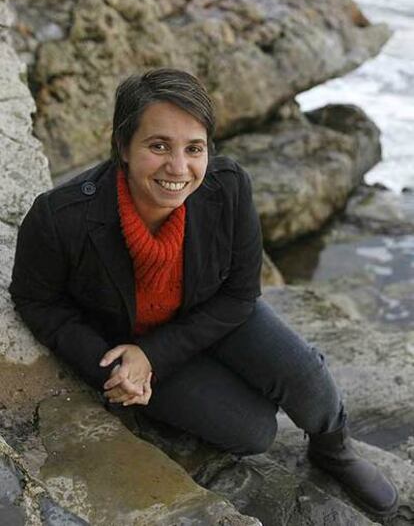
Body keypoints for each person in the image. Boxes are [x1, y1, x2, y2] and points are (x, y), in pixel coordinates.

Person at [10, 68, 398, 518]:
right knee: (254, 433)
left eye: (194, 149)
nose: (179, 168)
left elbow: (240, 294)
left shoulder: (227, 187)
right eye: (158, 146)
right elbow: (36, 300)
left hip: (211, 314)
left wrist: (155, 354)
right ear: (122, 146)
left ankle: (334, 448)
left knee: (307, 378)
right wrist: (114, 368)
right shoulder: (61, 217)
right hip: (129, 339)